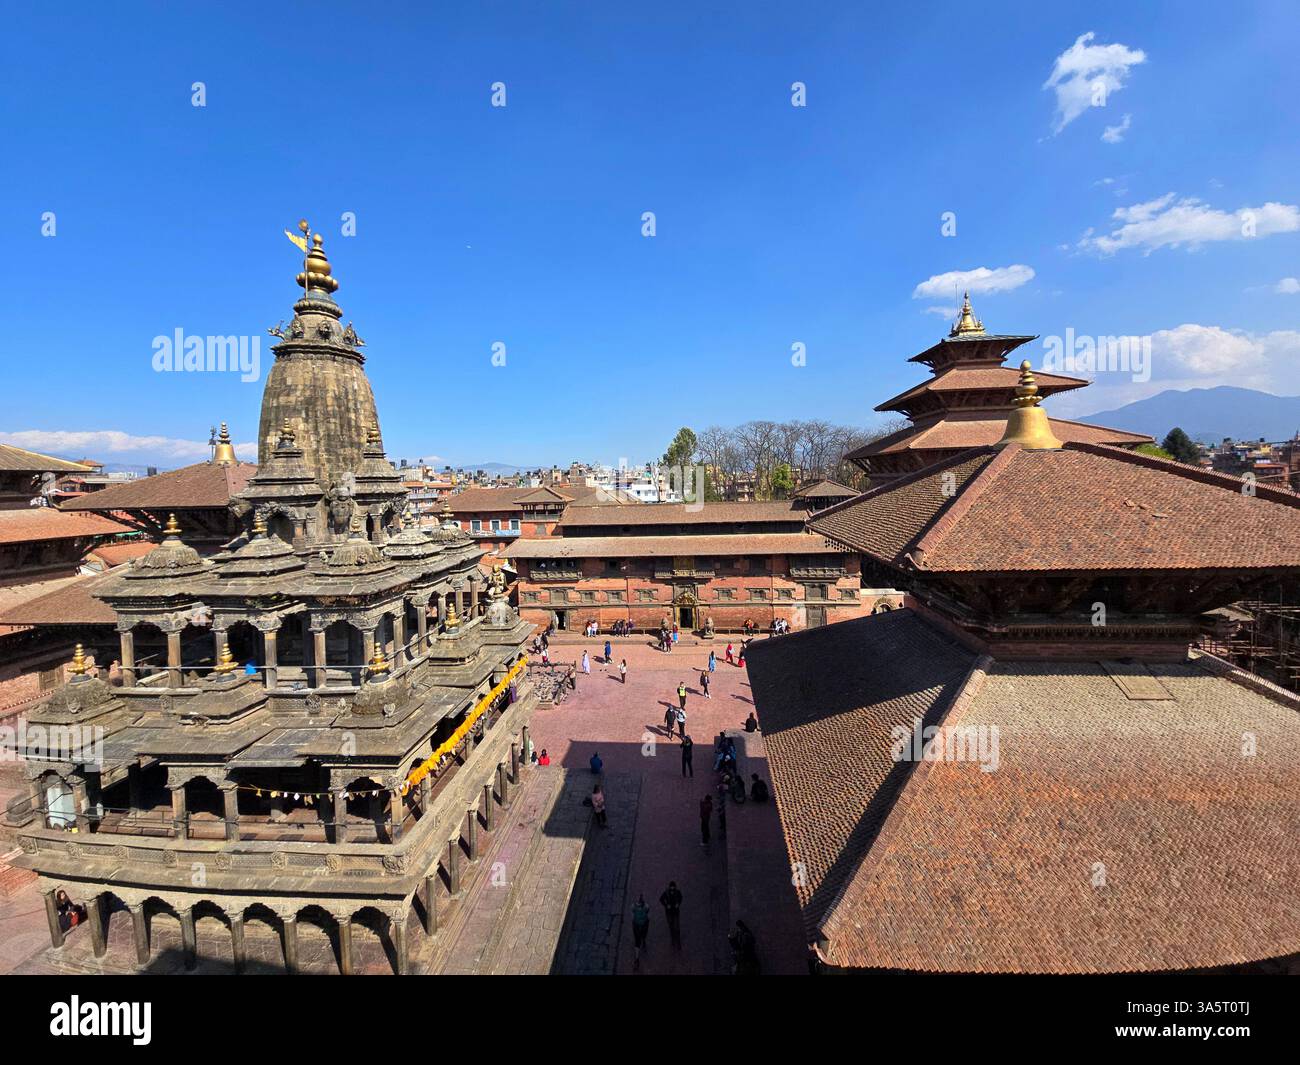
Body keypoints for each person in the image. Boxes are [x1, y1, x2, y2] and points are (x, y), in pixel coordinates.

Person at [659, 882, 683, 948]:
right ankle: (673, 940)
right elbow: (661, 899)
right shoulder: (666, 893)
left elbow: (681, 898)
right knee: (671, 927)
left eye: (673, 888)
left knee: (677, 928)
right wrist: (666, 905)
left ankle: (678, 942)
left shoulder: (677, 892)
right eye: (671, 888)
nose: (672, 890)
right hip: (669, 913)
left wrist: (678, 903)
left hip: (675, 912)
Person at [631, 894, 651, 967]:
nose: (638, 904)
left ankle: (643, 940)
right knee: (637, 941)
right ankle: (637, 958)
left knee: (643, 935)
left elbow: (647, 910)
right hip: (638, 925)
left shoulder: (645, 906)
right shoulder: (635, 906)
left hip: (642, 925)